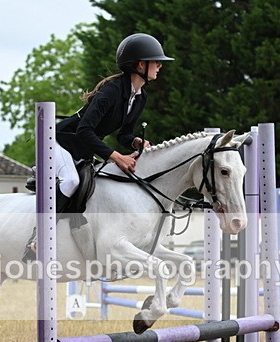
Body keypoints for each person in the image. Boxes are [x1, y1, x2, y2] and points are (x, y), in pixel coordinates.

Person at [23, 33, 174, 261]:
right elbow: (84, 131)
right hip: (59, 141)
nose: (160, 66)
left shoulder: (140, 96)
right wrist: (116, 157)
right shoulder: (111, 92)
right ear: (140, 65)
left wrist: (134, 142)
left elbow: (124, 134)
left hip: (82, 147)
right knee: (72, 181)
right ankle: (38, 237)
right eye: (156, 61)